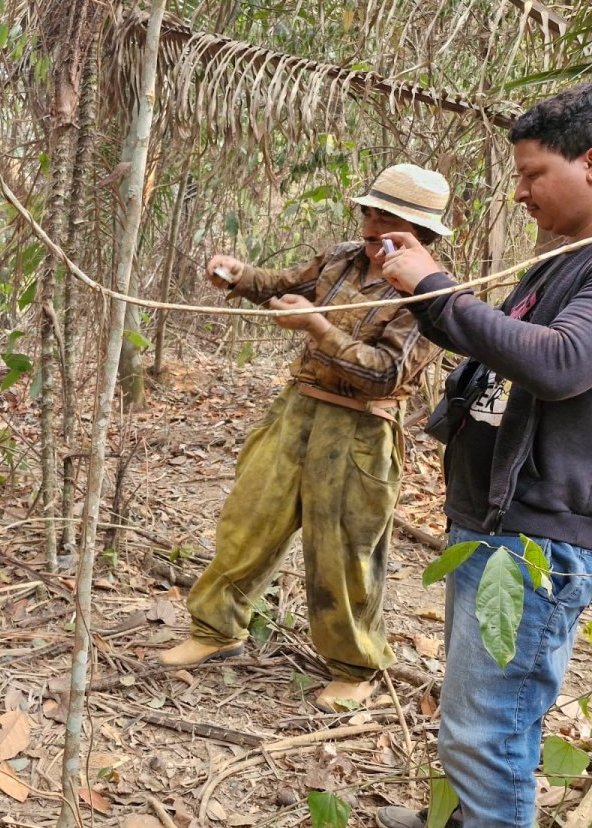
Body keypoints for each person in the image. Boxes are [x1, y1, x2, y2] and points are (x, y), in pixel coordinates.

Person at [375, 84, 592, 828]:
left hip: (534, 545)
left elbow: (560, 363)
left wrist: (436, 284)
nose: (520, 191)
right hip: (498, 524)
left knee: (489, 735)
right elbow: (495, 347)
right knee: (475, 726)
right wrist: (424, 294)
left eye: (534, 173)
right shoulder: (560, 262)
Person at [159, 163, 449, 712]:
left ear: (421, 231)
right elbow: (286, 284)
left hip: (361, 429)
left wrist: (319, 328)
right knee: (249, 518)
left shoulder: (431, 293)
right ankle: (216, 629)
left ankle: (354, 665)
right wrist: (239, 275)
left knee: (343, 550)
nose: (370, 224)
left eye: (386, 216)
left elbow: (387, 372)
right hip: (298, 410)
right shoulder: (343, 258)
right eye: (368, 210)